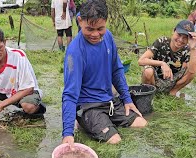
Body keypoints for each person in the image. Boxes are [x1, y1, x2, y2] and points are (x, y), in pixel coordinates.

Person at [61, 0, 147, 146]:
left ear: (106, 22)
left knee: (142, 124)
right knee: (115, 140)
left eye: (100, 28)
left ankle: (103, 121)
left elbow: (117, 70)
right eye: (89, 29)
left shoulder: (108, 37)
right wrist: (67, 133)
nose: (95, 34)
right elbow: (69, 94)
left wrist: (127, 100)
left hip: (110, 101)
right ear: (80, 21)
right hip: (89, 106)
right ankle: (83, 121)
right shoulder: (74, 52)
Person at [138, 20, 196, 96]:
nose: (180, 40)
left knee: (191, 73)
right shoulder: (161, 41)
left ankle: (172, 92)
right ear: (173, 31)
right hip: (155, 79)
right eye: (179, 35)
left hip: (172, 81)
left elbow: (192, 72)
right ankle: (150, 92)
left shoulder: (187, 49)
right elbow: (141, 61)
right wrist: (162, 64)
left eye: (185, 38)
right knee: (148, 71)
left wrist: (193, 48)